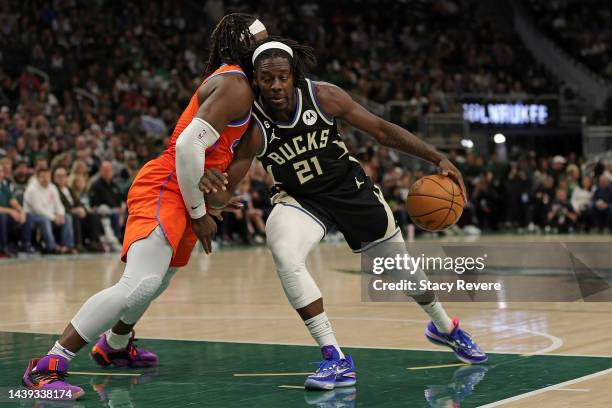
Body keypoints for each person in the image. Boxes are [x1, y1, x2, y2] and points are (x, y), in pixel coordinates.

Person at [200, 37, 486, 391]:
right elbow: (230, 184)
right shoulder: (253, 125)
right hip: (302, 200)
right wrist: (210, 189)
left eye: (282, 77)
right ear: (255, 80)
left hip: (351, 192)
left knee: (408, 277)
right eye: (267, 78)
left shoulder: (323, 96)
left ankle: (445, 328)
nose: (275, 85)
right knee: (284, 251)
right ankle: (334, 358)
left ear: (293, 76)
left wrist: (437, 157)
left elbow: (381, 130)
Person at [21, 14, 268, 400]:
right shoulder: (236, 83)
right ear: (243, 46)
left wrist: (214, 198)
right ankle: (47, 365)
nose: (266, 52)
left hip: (188, 189)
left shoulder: (250, 101)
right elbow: (187, 147)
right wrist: (202, 213)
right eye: (261, 43)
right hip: (168, 183)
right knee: (139, 282)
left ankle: (115, 346)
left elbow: (220, 177)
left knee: (160, 280)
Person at [23, 167, 75, 254]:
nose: (46, 179)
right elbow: (37, 209)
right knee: (44, 220)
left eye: (48, 176)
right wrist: (54, 217)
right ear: (37, 177)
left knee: (67, 218)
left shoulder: (52, 187)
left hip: (51, 215)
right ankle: (51, 247)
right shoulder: (32, 190)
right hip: (32, 216)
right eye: (43, 177)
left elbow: (58, 204)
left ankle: (67, 246)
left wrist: (61, 214)